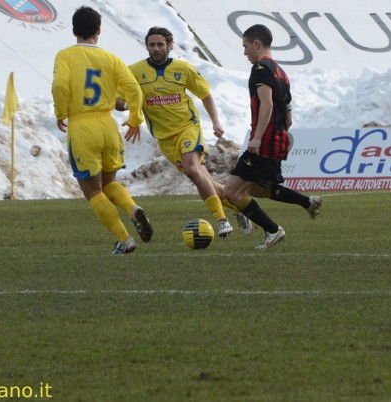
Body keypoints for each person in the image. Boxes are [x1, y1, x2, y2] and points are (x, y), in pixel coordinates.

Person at [120, 26, 249, 238]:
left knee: (192, 169)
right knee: (203, 179)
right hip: (165, 139)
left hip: (188, 128)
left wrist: (216, 122)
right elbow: (119, 98)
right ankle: (241, 209)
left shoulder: (183, 68)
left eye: (160, 44)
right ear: (147, 46)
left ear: (169, 46)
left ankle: (221, 221)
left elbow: (205, 94)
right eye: (152, 45)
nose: (156, 49)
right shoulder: (134, 71)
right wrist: (126, 105)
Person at [52, 6, 154, 255]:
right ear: (99, 30)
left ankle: (124, 239)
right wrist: (134, 118)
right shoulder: (111, 58)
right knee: (109, 183)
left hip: (83, 125)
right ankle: (131, 208)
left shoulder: (65, 55)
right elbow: (134, 89)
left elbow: (59, 84)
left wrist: (60, 113)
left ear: (74, 30)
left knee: (91, 190)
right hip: (108, 125)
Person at [223, 24, 323, 250]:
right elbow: (288, 117)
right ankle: (307, 202)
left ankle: (272, 230)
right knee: (257, 189)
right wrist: (278, 136)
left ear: (256, 44)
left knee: (230, 192)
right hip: (277, 139)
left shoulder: (260, 69)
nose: (245, 52)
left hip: (265, 140)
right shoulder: (281, 73)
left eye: (246, 46)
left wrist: (257, 138)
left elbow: (266, 104)